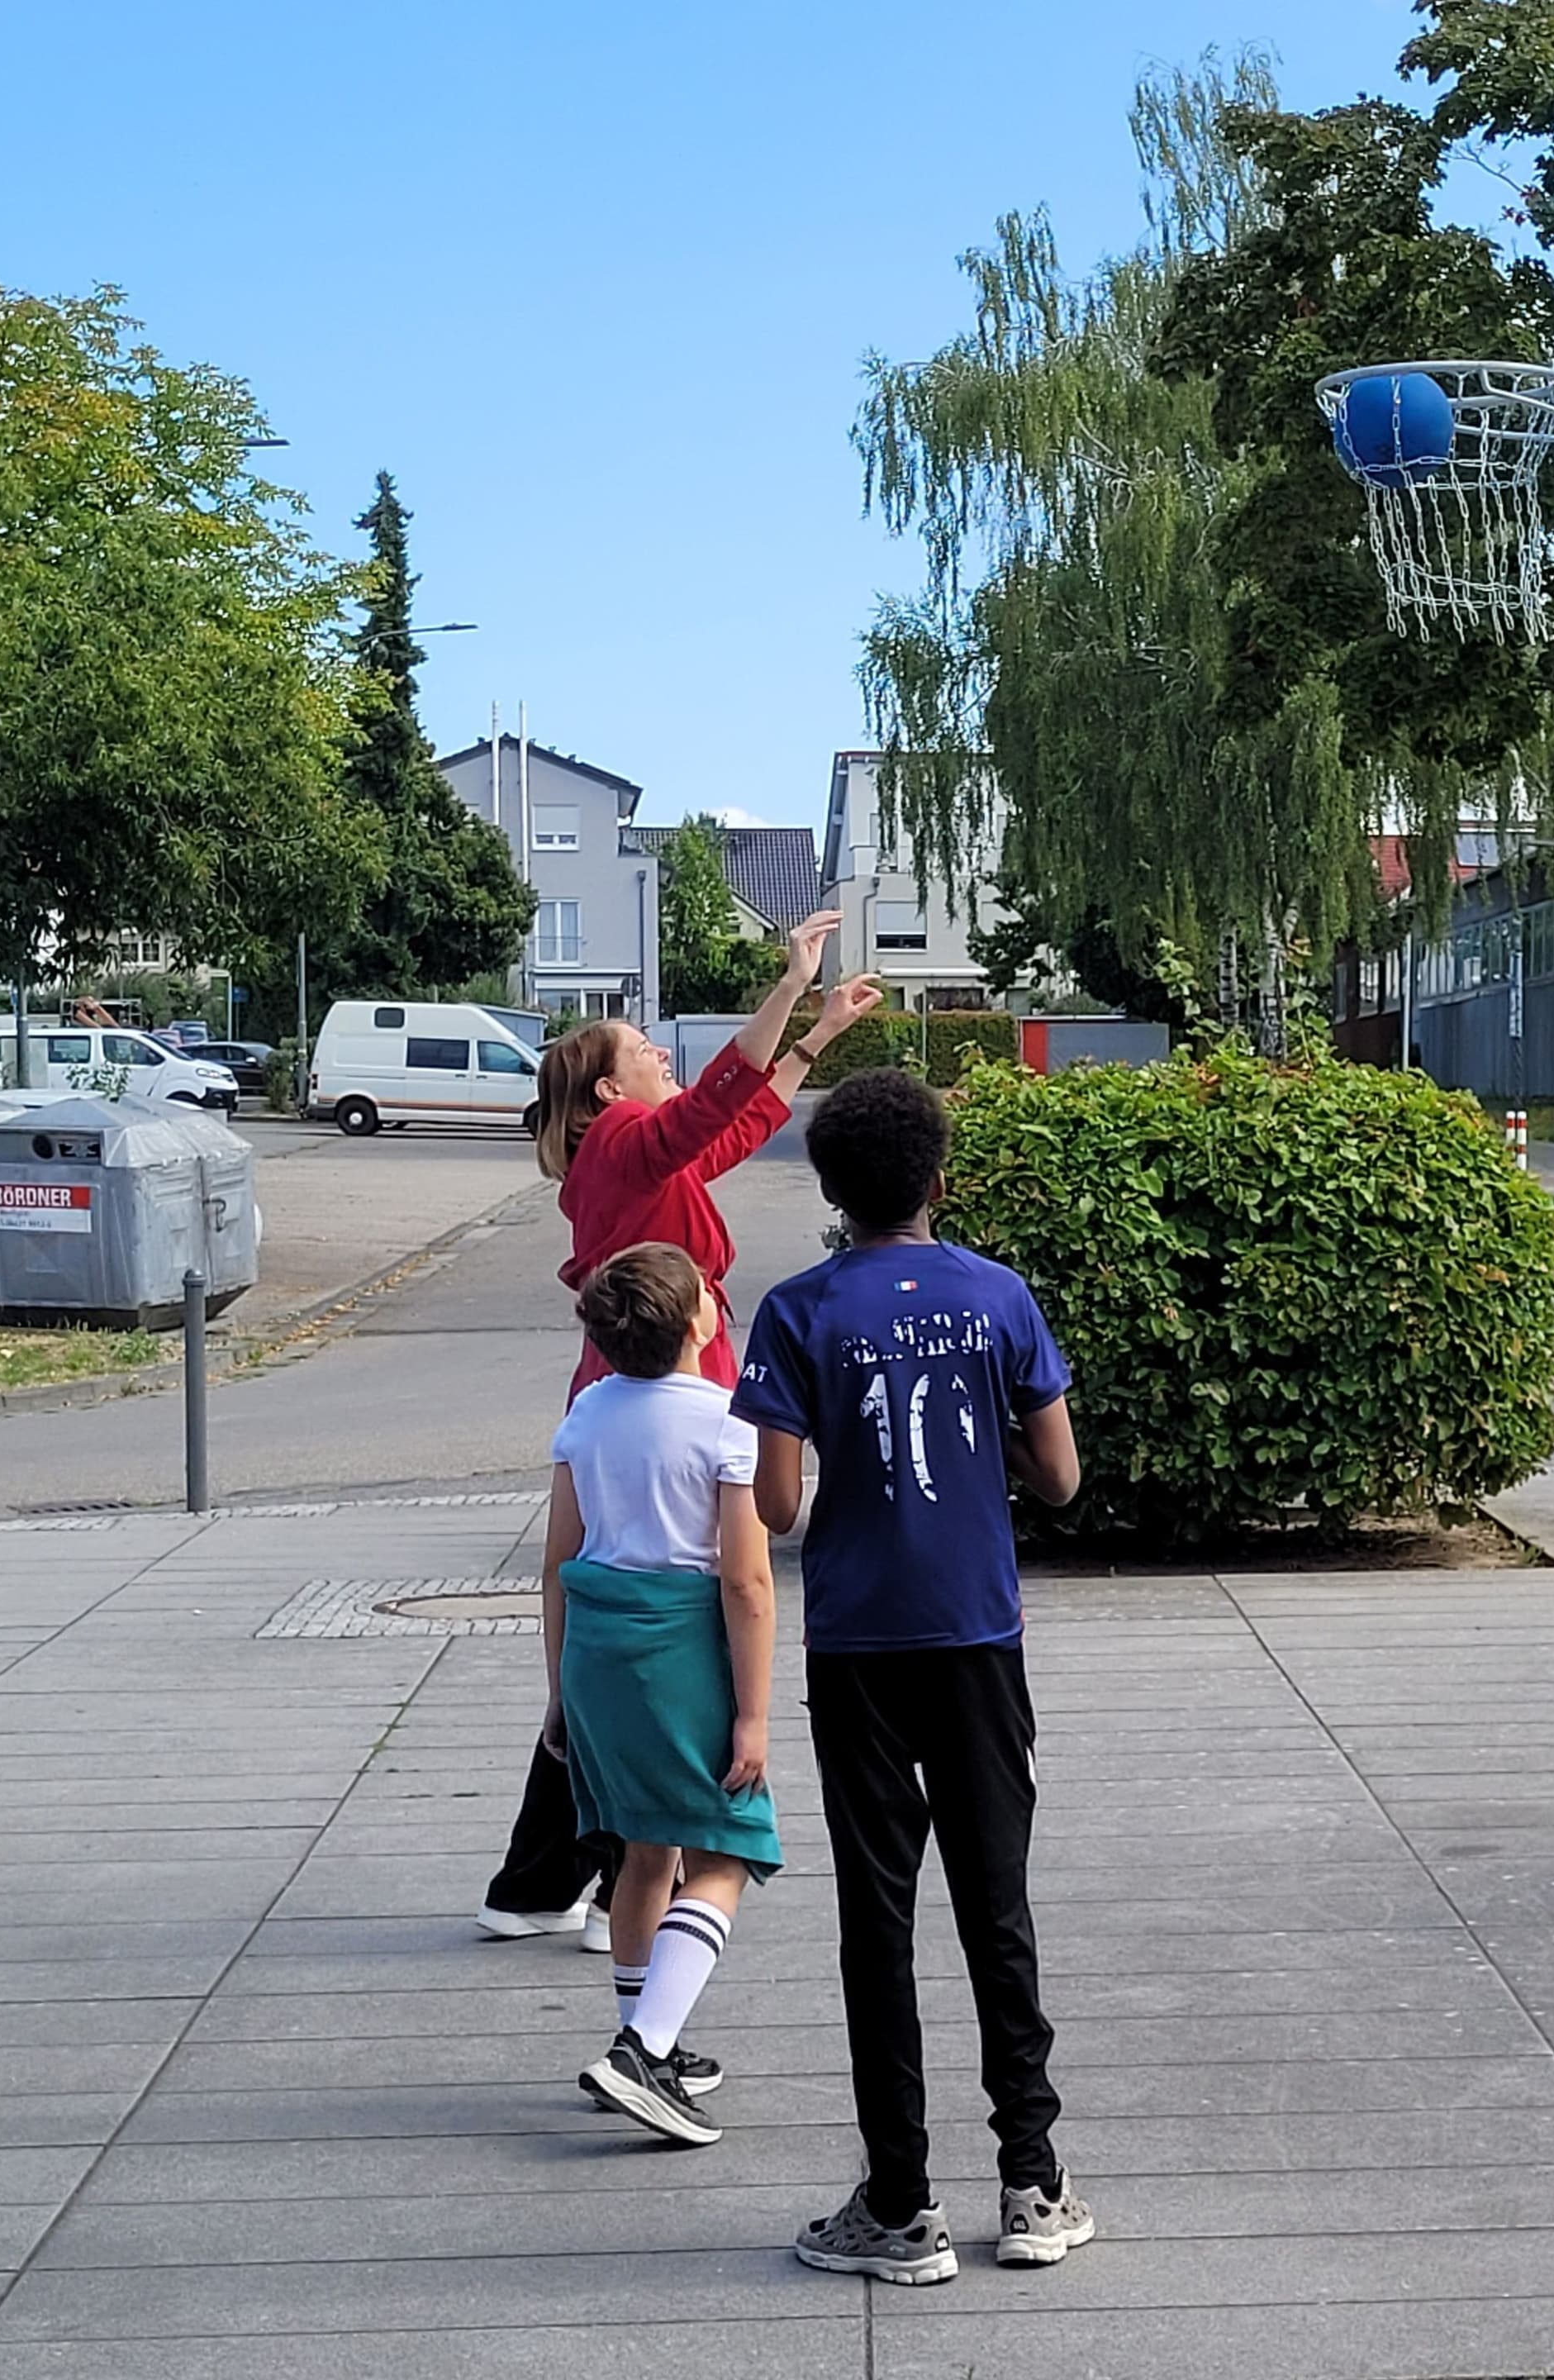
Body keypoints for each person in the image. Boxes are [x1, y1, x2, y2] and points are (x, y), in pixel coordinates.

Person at [734, 1067, 1091, 2287]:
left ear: (831, 1191)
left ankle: (899, 2205)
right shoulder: (999, 1296)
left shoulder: (795, 1311)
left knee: (875, 1920)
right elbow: (1060, 1480)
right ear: (942, 1180)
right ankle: (1032, 2184)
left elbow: (778, 1502)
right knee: (999, 1906)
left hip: (861, 1648)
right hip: (979, 1639)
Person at [472, 913, 880, 1950]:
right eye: (643, 1048)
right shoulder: (620, 1144)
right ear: (608, 1091)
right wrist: (788, 988)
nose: (660, 1051)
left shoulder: (641, 1162)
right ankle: (594, 1872)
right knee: (668, 1616)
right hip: (652, 1394)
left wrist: (817, 1033)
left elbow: (732, 1127)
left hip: (638, 1394)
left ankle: (555, 1877)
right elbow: (710, 1111)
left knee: (638, 1626)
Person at [542, 1243, 779, 2148]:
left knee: (646, 1853)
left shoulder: (587, 1416)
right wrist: (752, 1715)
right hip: (682, 1650)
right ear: (701, 1323)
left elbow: (559, 1563)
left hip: (599, 1649)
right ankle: (644, 2050)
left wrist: (557, 1691)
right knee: (726, 1849)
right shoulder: (728, 1423)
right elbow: (745, 1583)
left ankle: (648, 2034)